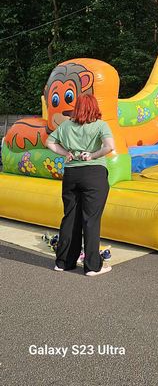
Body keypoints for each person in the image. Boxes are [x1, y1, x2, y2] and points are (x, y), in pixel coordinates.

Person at [46, 94, 114, 277]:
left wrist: (65, 153)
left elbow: (49, 142)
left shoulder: (66, 125)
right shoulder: (101, 125)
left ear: (77, 108)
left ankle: (63, 262)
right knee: (91, 220)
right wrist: (92, 155)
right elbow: (109, 146)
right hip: (94, 174)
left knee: (70, 217)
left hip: (71, 175)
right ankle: (92, 266)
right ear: (95, 107)